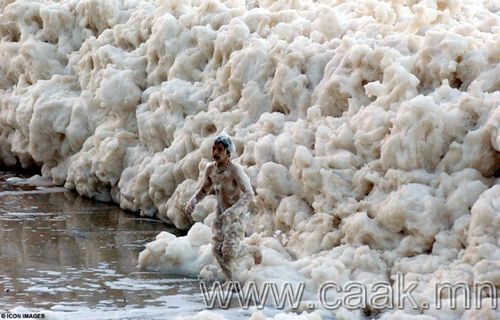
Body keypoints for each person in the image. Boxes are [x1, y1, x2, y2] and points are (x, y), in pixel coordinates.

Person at [185, 134, 262, 284]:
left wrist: (234, 211)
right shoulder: (210, 169)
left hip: (235, 216)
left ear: (227, 153)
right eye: (213, 148)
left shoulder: (235, 170)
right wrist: (193, 201)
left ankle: (253, 250)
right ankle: (232, 281)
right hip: (219, 216)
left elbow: (249, 193)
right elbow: (203, 190)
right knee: (216, 250)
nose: (215, 152)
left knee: (229, 252)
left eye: (219, 149)